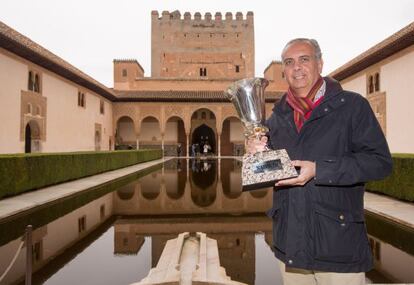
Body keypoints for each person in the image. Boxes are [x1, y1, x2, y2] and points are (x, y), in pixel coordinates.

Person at [247, 38, 392, 285]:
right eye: (289, 62)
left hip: (339, 246)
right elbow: (265, 174)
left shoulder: (352, 107)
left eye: (305, 59)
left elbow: (380, 163)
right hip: (290, 247)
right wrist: (255, 157)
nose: (297, 67)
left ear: (320, 63)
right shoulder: (276, 119)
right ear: (284, 71)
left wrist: (320, 170)